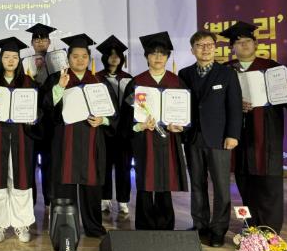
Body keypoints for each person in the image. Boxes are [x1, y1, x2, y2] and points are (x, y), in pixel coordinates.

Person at [221, 21, 287, 233]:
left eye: (247, 41)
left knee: (269, 183)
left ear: (255, 43)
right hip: (238, 134)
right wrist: (234, 104)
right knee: (243, 182)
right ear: (232, 47)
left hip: (267, 134)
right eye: (238, 42)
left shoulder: (274, 68)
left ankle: (270, 230)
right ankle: (250, 226)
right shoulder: (225, 70)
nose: (244, 45)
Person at [43, 33, 115, 237]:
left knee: (91, 185)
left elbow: (114, 114)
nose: (80, 60)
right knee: (64, 183)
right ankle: (64, 227)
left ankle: (93, 226)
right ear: (68, 59)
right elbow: (46, 108)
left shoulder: (99, 82)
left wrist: (103, 120)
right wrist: (60, 88)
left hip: (92, 140)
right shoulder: (56, 79)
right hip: (65, 141)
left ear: (89, 58)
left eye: (84, 56)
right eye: (75, 56)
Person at [179, 30, 242, 247]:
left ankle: (218, 229)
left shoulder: (227, 74)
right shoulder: (184, 74)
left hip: (219, 138)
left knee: (221, 187)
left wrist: (233, 134)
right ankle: (200, 225)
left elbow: (234, 107)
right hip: (192, 137)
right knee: (197, 184)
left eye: (209, 45)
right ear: (192, 50)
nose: (205, 49)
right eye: (199, 45)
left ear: (215, 48)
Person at [122, 32, 189, 230]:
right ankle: (144, 225)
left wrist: (180, 126)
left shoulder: (177, 83)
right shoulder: (136, 83)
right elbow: (126, 119)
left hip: (169, 140)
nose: (158, 57)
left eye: (162, 53)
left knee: (164, 182)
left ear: (167, 57)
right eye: (153, 53)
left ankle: (165, 225)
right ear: (147, 57)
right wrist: (140, 126)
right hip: (144, 141)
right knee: (145, 182)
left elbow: (187, 115)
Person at [0, 37, 41, 243]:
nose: (10, 60)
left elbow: (39, 112)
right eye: (6, 56)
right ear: (1, 59)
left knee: (21, 183)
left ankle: (21, 224)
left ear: (19, 60)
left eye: (14, 57)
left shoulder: (29, 83)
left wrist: (34, 119)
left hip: (21, 138)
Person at [96, 35, 133, 215]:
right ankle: (104, 199)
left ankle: (123, 200)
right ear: (105, 57)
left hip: (124, 130)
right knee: (104, 165)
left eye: (117, 55)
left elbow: (133, 102)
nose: (114, 58)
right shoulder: (97, 78)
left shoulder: (129, 79)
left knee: (124, 167)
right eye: (110, 54)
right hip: (104, 129)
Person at [25, 23, 57, 208]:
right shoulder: (25, 63)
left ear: (49, 42)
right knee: (29, 163)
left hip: (51, 121)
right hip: (31, 121)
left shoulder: (58, 62)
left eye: (44, 39)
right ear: (32, 43)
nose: (40, 42)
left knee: (50, 164)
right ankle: (30, 200)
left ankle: (49, 200)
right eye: (36, 39)